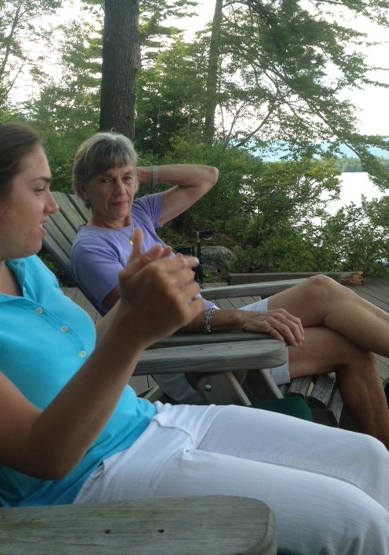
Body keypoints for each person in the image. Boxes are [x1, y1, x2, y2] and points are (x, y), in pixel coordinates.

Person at [0, 118, 389, 555]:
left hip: (150, 418)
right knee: (355, 523)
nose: (53, 205)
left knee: (369, 456)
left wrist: (133, 303)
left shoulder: (23, 266)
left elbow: (84, 349)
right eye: (39, 189)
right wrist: (133, 329)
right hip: (90, 477)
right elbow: (45, 455)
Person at [71, 131, 389, 447]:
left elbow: (206, 177)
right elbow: (146, 318)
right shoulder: (92, 248)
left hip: (212, 329)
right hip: (193, 355)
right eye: (106, 180)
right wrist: (242, 318)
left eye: (126, 179)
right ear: (84, 187)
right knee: (349, 349)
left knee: (321, 288)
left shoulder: (138, 214)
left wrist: (136, 172)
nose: (120, 190)